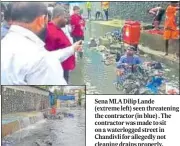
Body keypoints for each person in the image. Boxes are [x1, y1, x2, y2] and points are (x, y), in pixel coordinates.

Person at [1, 2, 82, 85]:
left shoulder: (5, 43)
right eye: (47, 20)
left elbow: (47, 57)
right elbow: (61, 96)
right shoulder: (42, 60)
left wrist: (72, 49)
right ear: (41, 20)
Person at [45, 6, 75, 83]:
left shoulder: (58, 29)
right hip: (59, 70)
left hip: (64, 67)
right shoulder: (50, 31)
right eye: (64, 17)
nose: (66, 20)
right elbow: (49, 55)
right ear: (58, 16)